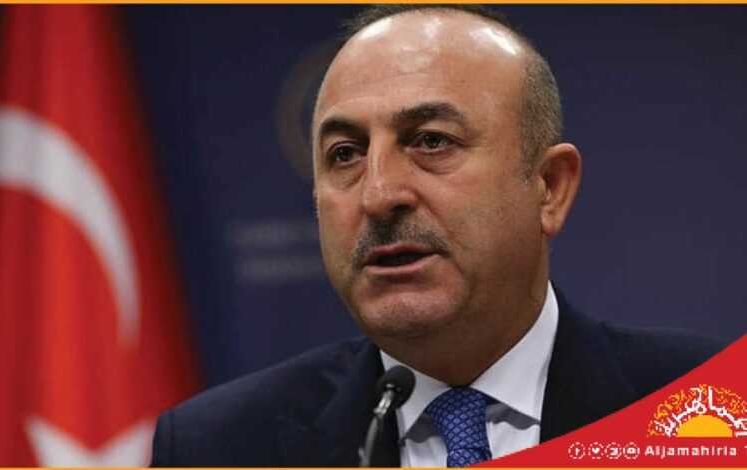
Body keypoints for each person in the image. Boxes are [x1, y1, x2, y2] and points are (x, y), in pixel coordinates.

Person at [151, 5, 723, 467]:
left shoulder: (711, 408)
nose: (378, 194)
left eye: (431, 141)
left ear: (549, 187)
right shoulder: (218, 447)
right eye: (345, 154)